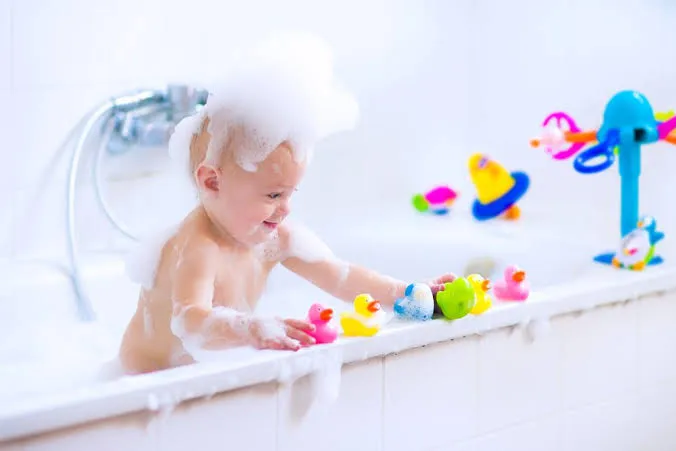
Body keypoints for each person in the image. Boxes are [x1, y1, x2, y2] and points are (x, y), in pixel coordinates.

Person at [118, 35, 454, 374]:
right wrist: (249, 328)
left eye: (291, 193)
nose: (286, 208)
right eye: (274, 195)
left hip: (198, 375)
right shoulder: (199, 247)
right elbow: (190, 321)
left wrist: (405, 293)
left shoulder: (273, 238)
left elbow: (342, 277)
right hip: (144, 379)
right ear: (212, 182)